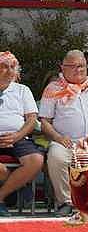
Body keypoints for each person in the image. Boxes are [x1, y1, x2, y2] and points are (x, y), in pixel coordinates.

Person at [39, 50, 88, 217]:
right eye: (73, 66)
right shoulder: (53, 89)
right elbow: (45, 122)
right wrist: (59, 138)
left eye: (81, 66)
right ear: (63, 68)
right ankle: (66, 202)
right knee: (56, 157)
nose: (78, 69)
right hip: (67, 142)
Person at [0, 52, 44, 217]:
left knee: (36, 160)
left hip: (18, 138)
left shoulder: (22, 90)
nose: (10, 71)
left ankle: (1, 197)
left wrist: (17, 136)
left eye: (13, 67)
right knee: (2, 170)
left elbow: (32, 119)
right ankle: (17, 187)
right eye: (5, 67)